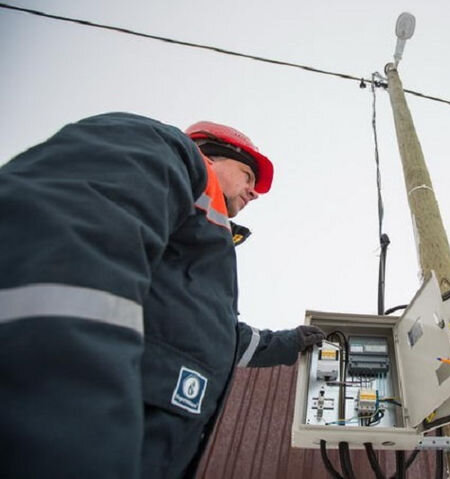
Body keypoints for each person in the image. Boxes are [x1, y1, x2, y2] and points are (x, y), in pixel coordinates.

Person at [0, 112, 325, 478]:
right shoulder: (163, 149)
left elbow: (213, 339)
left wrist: (291, 342)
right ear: (212, 155)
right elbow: (68, 257)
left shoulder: (202, 242)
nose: (253, 192)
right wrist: (73, 429)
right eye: (248, 176)